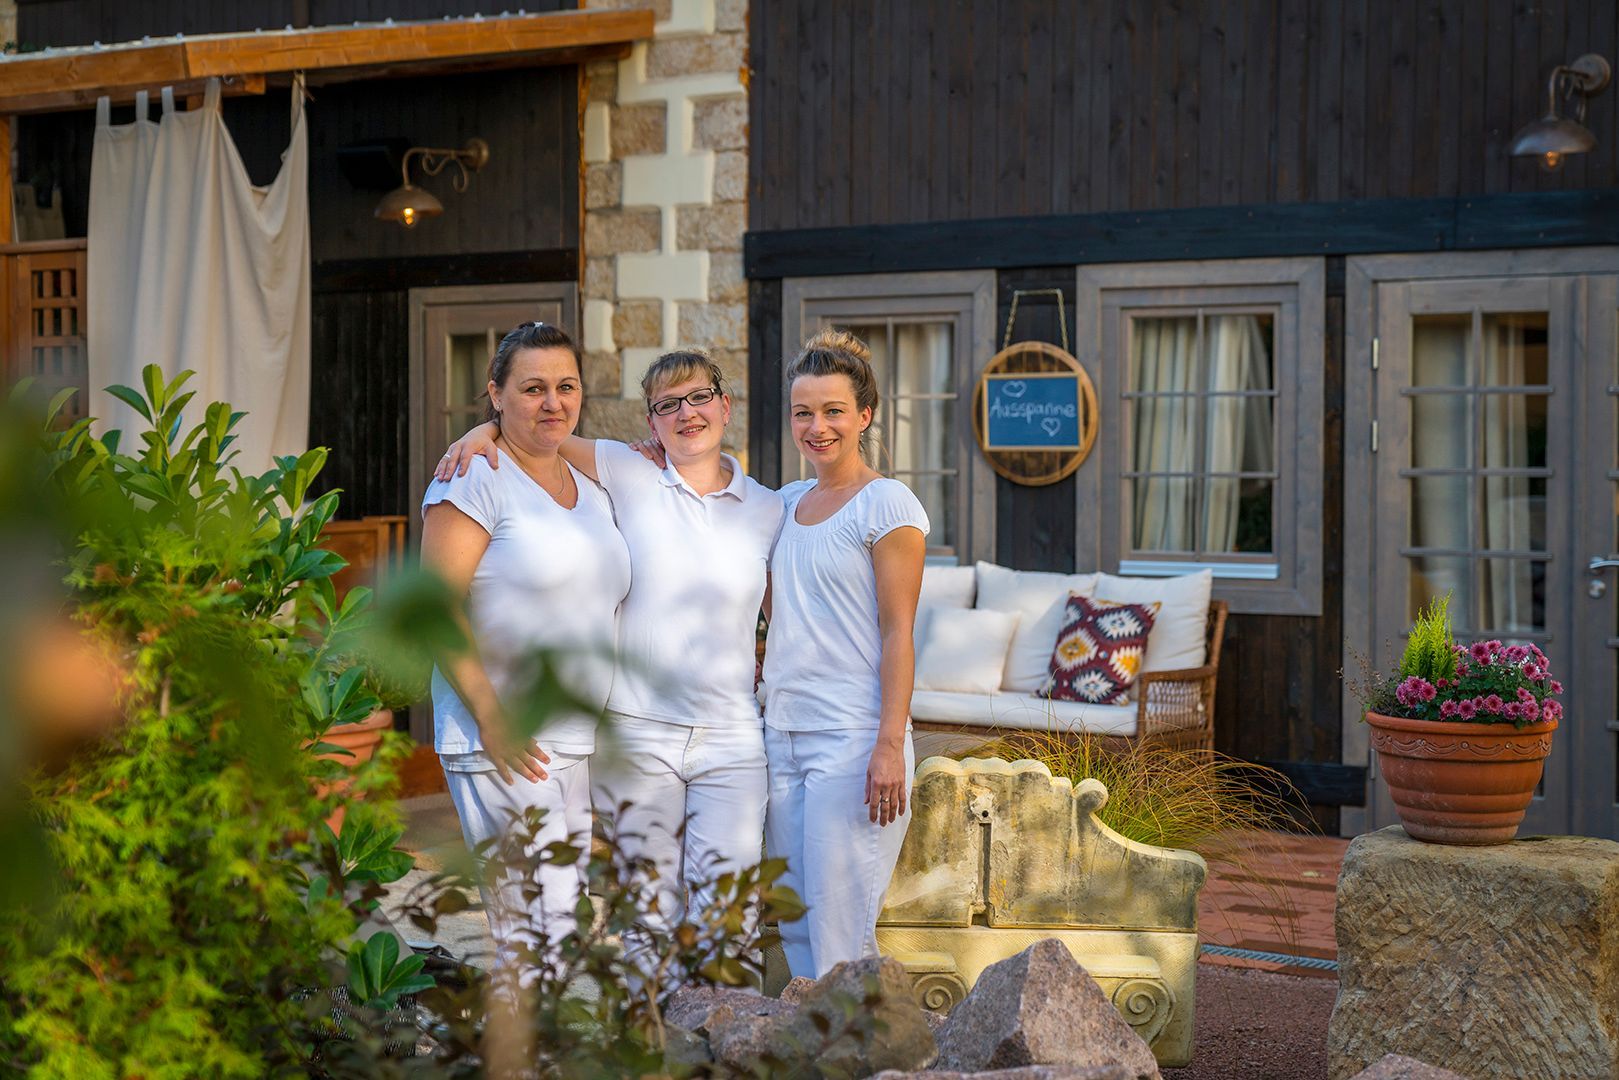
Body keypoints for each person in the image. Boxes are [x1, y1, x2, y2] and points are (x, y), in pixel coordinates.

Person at [436, 349, 784, 960]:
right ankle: (649, 1048)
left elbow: (783, 618)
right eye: (667, 405)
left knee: (727, 916)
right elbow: (540, 433)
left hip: (730, 738)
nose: (686, 413)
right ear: (651, 423)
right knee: (643, 916)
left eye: (700, 397)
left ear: (725, 407)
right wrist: (481, 429)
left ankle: (724, 1048)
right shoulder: (625, 471)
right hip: (635, 734)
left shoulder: (769, 508)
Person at [420, 321, 631, 980]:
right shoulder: (474, 479)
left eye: (565, 387)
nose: (552, 403)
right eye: (532, 388)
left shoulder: (589, 484)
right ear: (496, 394)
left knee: (559, 926)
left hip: (569, 738)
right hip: (503, 734)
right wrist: (491, 717)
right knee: (531, 927)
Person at [763, 328, 927, 978]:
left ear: (864, 415)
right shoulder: (782, 503)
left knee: (840, 930)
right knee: (796, 919)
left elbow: (897, 631)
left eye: (832, 410)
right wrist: (488, 434)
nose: (816, 426)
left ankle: (855, 1057)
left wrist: (889, 744)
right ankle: (811, 1055)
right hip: (782, 735)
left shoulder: (886, 504)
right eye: (804, 411)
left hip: (852, 740)